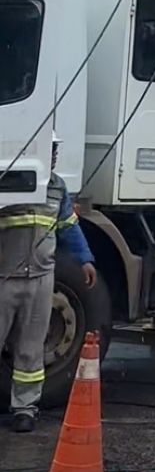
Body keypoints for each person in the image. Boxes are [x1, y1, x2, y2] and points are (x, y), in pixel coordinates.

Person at [0, 132, 96, 433]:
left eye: (56, 150)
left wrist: (85, 259)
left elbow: (69, 227)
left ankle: (25, 409)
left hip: (41, 279)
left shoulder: (56, 187)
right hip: (4, 278)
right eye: (50, 149)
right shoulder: (8, 177)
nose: (53, 155)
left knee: (31, 347)